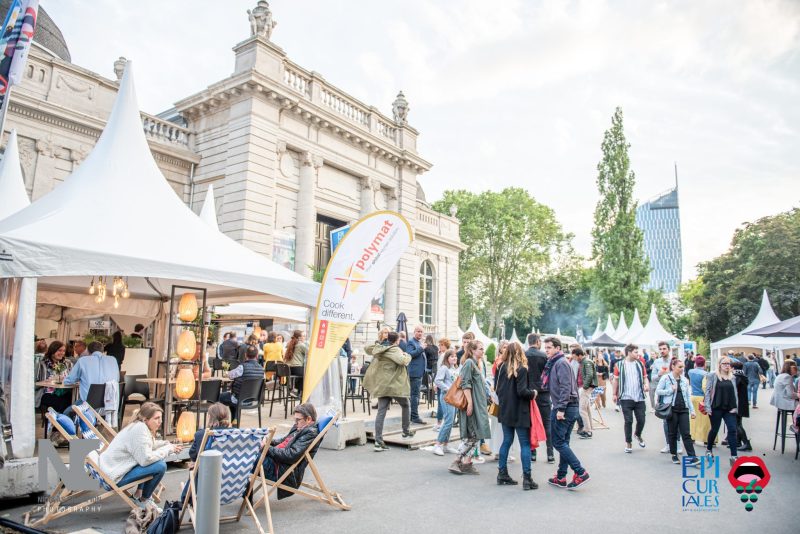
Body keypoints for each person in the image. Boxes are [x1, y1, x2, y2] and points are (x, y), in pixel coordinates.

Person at [94, 402, 181, 509]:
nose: (160, 421)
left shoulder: (138, 425)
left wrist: (166, 444)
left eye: (161, 418)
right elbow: (146, 459)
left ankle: (138, 494)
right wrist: (168, 449)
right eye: (156, 418)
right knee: (160, 466)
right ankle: (143, 501)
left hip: (111, 469)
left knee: (153, 460)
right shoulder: (140, 429)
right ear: (145, 419)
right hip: (114, 476)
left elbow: (148, 445)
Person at [543, 337, 590, 490]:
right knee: (564, 442)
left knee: (558, 442)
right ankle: (561, 476)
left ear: (558, 348)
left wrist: (561, 408)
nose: (547, 350)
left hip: (565, 407)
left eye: (549, 347)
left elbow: (566, 386)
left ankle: (580, 471)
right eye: (546, 348)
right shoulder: (558, 362)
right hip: (568, 406)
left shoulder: (561, 363)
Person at [495, 342, 537, 490]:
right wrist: (533, 393)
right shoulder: (522, 369)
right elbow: (522, 391)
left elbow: (497, 389)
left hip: (505, 409)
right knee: (525, 444)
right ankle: (527, 478)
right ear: (520, 353)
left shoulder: (501, 368)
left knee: (506, 441)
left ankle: (502, 473)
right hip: (520, 411)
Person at [363, 331, 414, 451]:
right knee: (406, 405)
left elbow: (366, 347)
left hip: (382, 384)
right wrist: (408, 355)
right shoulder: (395, 350)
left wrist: (379, 343)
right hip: (394, 385)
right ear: (397, 340)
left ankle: (378, 441)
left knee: (381, 412)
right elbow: (403, 361)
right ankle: (406, 431)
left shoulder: (380, 348)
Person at [448, 340, 491, 476]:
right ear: (472, 350)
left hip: (479, 404)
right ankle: (457, 460)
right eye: (480, 349)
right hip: (472, 405)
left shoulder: (477, 363)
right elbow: (465, 384)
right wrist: (470, 403)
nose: (483, 351)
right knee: (472, 435)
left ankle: (467, 462)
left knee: (477, 435)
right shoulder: (469, 363)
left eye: (483, 349)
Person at [261, 403, 320, 498]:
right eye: (295, 419)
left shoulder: (310, 433)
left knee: (248, 460)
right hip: (275, 460)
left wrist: (266, 448)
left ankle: (245, 494)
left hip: (280, 469)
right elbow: (283, 441)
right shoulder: (299, 427)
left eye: (298, 420)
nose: (295, 423)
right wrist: (267, 441)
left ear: (308, 419)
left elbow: (291, 455)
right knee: (250, 453)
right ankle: (246, 494)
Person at [180, 402, 231, 504]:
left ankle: (192, 501)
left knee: (196, 466)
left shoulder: (201, 435)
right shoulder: (236, 434)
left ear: (208, 417)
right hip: (231, 482)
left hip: (208, 483)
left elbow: (193, 454)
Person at [656, 359, 699, 466]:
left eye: (682, 367)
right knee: (672, 433)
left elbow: (688, 397)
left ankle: (692, 457)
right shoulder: (666, 378)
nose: (682, 369)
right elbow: (658, 391)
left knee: (686, 434)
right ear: (673, 367)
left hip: (683, 409)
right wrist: (670, 390)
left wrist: (692, 411)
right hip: (672, 409)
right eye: (680, 367)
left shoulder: (684, 380)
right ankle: (674, 454)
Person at [613, 343, 649, 453]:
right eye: (636, 352)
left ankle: (637, 434)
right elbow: (615, 380)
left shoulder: (640, 364)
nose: (638, 354)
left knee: (642, 420)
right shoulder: (619, 365)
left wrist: (646, 384)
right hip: (626, 397)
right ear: (629, 352)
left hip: (639, 397)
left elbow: (645, 378)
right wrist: (614, 394)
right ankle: (628, 443)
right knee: (628, 421)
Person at [704, 355, 739, 465]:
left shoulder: (732, 377)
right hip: (716, 407)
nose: (727, 366)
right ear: (719, 365)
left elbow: (735, 393)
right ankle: (709, 450)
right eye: (724, 363)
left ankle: (734, 456)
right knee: (715, 429)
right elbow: (708, 392)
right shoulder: (712, 376)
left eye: (729, 364)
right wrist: (708, 407)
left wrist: (736, 406)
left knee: (732, 430)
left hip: (729, 408)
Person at [524, 333, 553, 462]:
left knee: (530, 424)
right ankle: (550, 453)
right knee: (547, 423)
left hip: (529, 392)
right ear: (537, 342)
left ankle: (533, 452)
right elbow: (548, 374)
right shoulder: (544, 356)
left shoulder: (524, 355)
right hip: (543, 392)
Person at [63, 341, 119, 406]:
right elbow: (117, 380)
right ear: (103, 350)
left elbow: (69, 381)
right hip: (110, 406)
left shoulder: (83, 360)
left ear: (88, 351)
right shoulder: (113, 360)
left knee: (65, 413)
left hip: (89, 406)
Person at [220, 345, 264, 422]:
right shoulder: (261, 369)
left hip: (238, 399)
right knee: (231, 398)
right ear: (257, 356)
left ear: (245, 355)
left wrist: (226, 372)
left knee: (219, 396)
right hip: (252, 400)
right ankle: (235, 420)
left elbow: (230, 375)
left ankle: (221, 423)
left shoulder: (242, 367)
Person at [432, 350, 460, 456]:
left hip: (454, 397)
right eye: (451, 356)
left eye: (455, 356)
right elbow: (438, 381)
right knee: (448, 421)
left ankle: (446, 445)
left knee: (450, 421)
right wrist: (448, 389)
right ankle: (437, 445)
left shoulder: (455, 369)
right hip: (447, 397)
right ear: (447, 358)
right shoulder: (444, 368)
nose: (454, 358)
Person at [35, 341, 74, 414]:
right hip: (47, 393)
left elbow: (72, 378)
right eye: (59, 350)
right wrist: (45, 382)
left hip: (63, 392)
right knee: (63, 403)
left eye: (63, 351)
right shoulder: (42, 365)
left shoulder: (68, 364)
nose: (62, 353)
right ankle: (58, 423)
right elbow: (34, 385)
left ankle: (63, 422)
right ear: (52, 350)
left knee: (73, 400)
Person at [404, 325, 426, 425]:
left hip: (419, 372)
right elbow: (409, 354)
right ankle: (414, 416)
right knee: (414, 395)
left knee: (415, 395)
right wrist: (421, 348)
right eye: (418, 331)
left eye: (421, 331)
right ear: (414, 332)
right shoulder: (411, 342)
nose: (420, 333)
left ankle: (413, 415)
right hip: (414, 373)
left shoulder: (419, 342)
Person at [687, 356, 711, 444]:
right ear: (704, 364)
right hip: (702, 397)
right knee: (705, 420)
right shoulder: (706, 374)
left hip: (693, 397)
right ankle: (706, 439)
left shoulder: (690, 372)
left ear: (695, 364)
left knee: (693, 418)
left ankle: (692, 436)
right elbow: (706, 387)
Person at [729, 360, 752, 451]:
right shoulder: (742, 377)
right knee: (738, 422)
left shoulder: (735, 377)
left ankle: (746, 443)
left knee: (737, 423)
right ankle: (738, 442)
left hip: (737, 403)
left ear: (733, 368)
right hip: (742, 403)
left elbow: (733, 391)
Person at [575, 347, 597, 439]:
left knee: (582, 410)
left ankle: (587, 431)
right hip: (584, 387)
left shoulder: (586, 362)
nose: (575, 359)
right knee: (585, 409)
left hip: (585, 388)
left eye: (575, 357)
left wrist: (584, 387)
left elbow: (589, 375)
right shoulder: (584, 362)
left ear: (580, 355)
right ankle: (588, 429)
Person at [433, 337, 452, 430]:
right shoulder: (446, 354)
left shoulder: (444, 355)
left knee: (441, 403)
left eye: (441, 345)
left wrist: (435, 383)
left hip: (442, 382)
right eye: (439, 345)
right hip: (445, 382)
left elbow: (439, 369)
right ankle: (442, 422)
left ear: (445, 345)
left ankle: (439, 422)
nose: (439, 346)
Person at [283, 330, 307, 399]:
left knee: (301, 374)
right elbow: (310, 352)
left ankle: (293, 390)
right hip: (297, 368)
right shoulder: (301, 345)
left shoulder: (289, 344)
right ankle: (297, 391)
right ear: (299, 337)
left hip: (287, 369)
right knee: (307, 374)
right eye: (303, 336)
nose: (304, 337)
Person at [650, 342, 672, 410]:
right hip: (662, 393)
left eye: (664, 349)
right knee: (664, 414)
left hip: (673, 391)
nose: (662, 351)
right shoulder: (656, 362)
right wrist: (659, 374)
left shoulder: (674, 361)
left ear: (669, 350)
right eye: (660, 349)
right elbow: (652, 378)